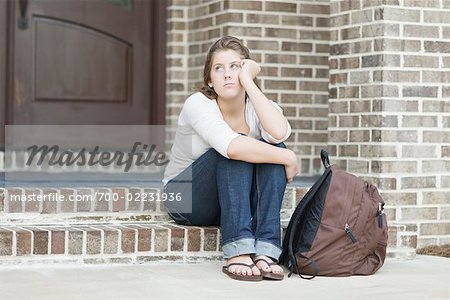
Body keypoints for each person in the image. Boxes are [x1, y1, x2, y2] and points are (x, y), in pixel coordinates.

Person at [163, 36, 298, 281]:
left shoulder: (258, 105)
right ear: (209, 80)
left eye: (235, 67)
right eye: (219, 68)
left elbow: (279, 133)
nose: (227, 74)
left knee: (272, 144)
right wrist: (287, 156)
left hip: (231, 201)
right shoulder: (198, 104)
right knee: (235, 148)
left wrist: (248, 82)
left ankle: (266, 250)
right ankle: (238, 249)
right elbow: (232, 148)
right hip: (186, 198)